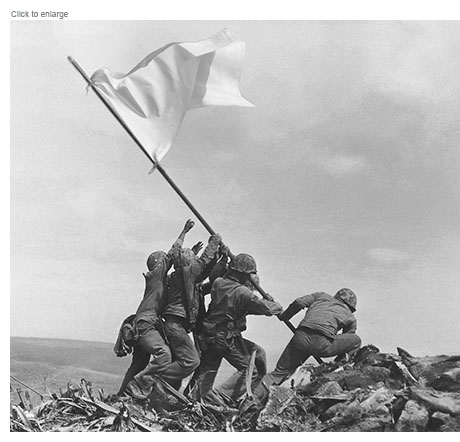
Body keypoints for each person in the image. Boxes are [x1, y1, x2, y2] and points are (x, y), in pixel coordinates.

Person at [127, 225, 223, 396]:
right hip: (156, 324)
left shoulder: (177, 277)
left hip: (161, 324)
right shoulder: (161, 276)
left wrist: (218, 259)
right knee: (187, 360)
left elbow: (201, 273)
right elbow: (198, 263)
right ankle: (147, 381)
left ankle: (156, 394)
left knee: (151, 361)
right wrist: (213, 242)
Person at [193, 253, 283, 405]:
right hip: (225, 337)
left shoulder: (219, 283)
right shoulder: (243, 292)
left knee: (209, 368)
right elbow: (268, 309)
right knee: (250, 369)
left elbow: (243, 306)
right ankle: (221, 397)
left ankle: (196, 397)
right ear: (242, 274)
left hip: (210, 334)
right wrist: (274, 303)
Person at [121, 219, 196, 398]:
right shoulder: (156, 275)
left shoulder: (159, 279)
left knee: (139, 364)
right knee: (164, 354)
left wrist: (191, 254)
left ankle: (122, 395)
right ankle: (140, 384)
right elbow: (172, 254)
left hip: (144, 324)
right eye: (164, 261)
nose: (167, 262)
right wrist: (184, 232)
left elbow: (177, 264)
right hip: (146, 324)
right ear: (158, 263)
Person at [263, 288, 362, 387]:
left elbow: (299, 302)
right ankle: (336, 368)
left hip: (301, 338)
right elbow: (348, 339)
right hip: (323, 344)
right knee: (356, 340)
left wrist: (285, 316)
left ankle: (253, 397)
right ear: (351, 307)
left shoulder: (321, 296)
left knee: (278, 374)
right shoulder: (350, 317)